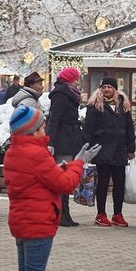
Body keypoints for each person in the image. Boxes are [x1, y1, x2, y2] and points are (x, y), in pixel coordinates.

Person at [4, 105, 99, 271]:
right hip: (38, 224)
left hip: (21, 221)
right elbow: (66, 184)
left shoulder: (13, 152)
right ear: (33, 130)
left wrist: (63, 168)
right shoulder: (37, 154)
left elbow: (38, 178)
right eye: (42, 125)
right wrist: (79, 162)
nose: (45, 128)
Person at [83, 76, 135, 227]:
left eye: (109, 87)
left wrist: (131, 148)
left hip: (119, 149)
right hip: (102, 149)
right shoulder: (95, 106)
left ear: (115, 89)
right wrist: (87, 148)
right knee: (103, 183)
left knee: (119, 183)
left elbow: (129, 128)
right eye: (104, 87)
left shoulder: (123, 106)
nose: (106, 89)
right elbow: (88, 128)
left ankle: (117, 214)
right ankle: (101, 214)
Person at [44, 66, 84, 227]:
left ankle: (64, 214)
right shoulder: (61, 95)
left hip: (70, 138)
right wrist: (51, 141)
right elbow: (54, 119)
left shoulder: (69, 94)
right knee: (63, 177)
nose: (78, 82)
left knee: (66, 177)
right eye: (76, 79)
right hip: (63, 141)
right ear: (70, 79)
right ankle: (60, 214)